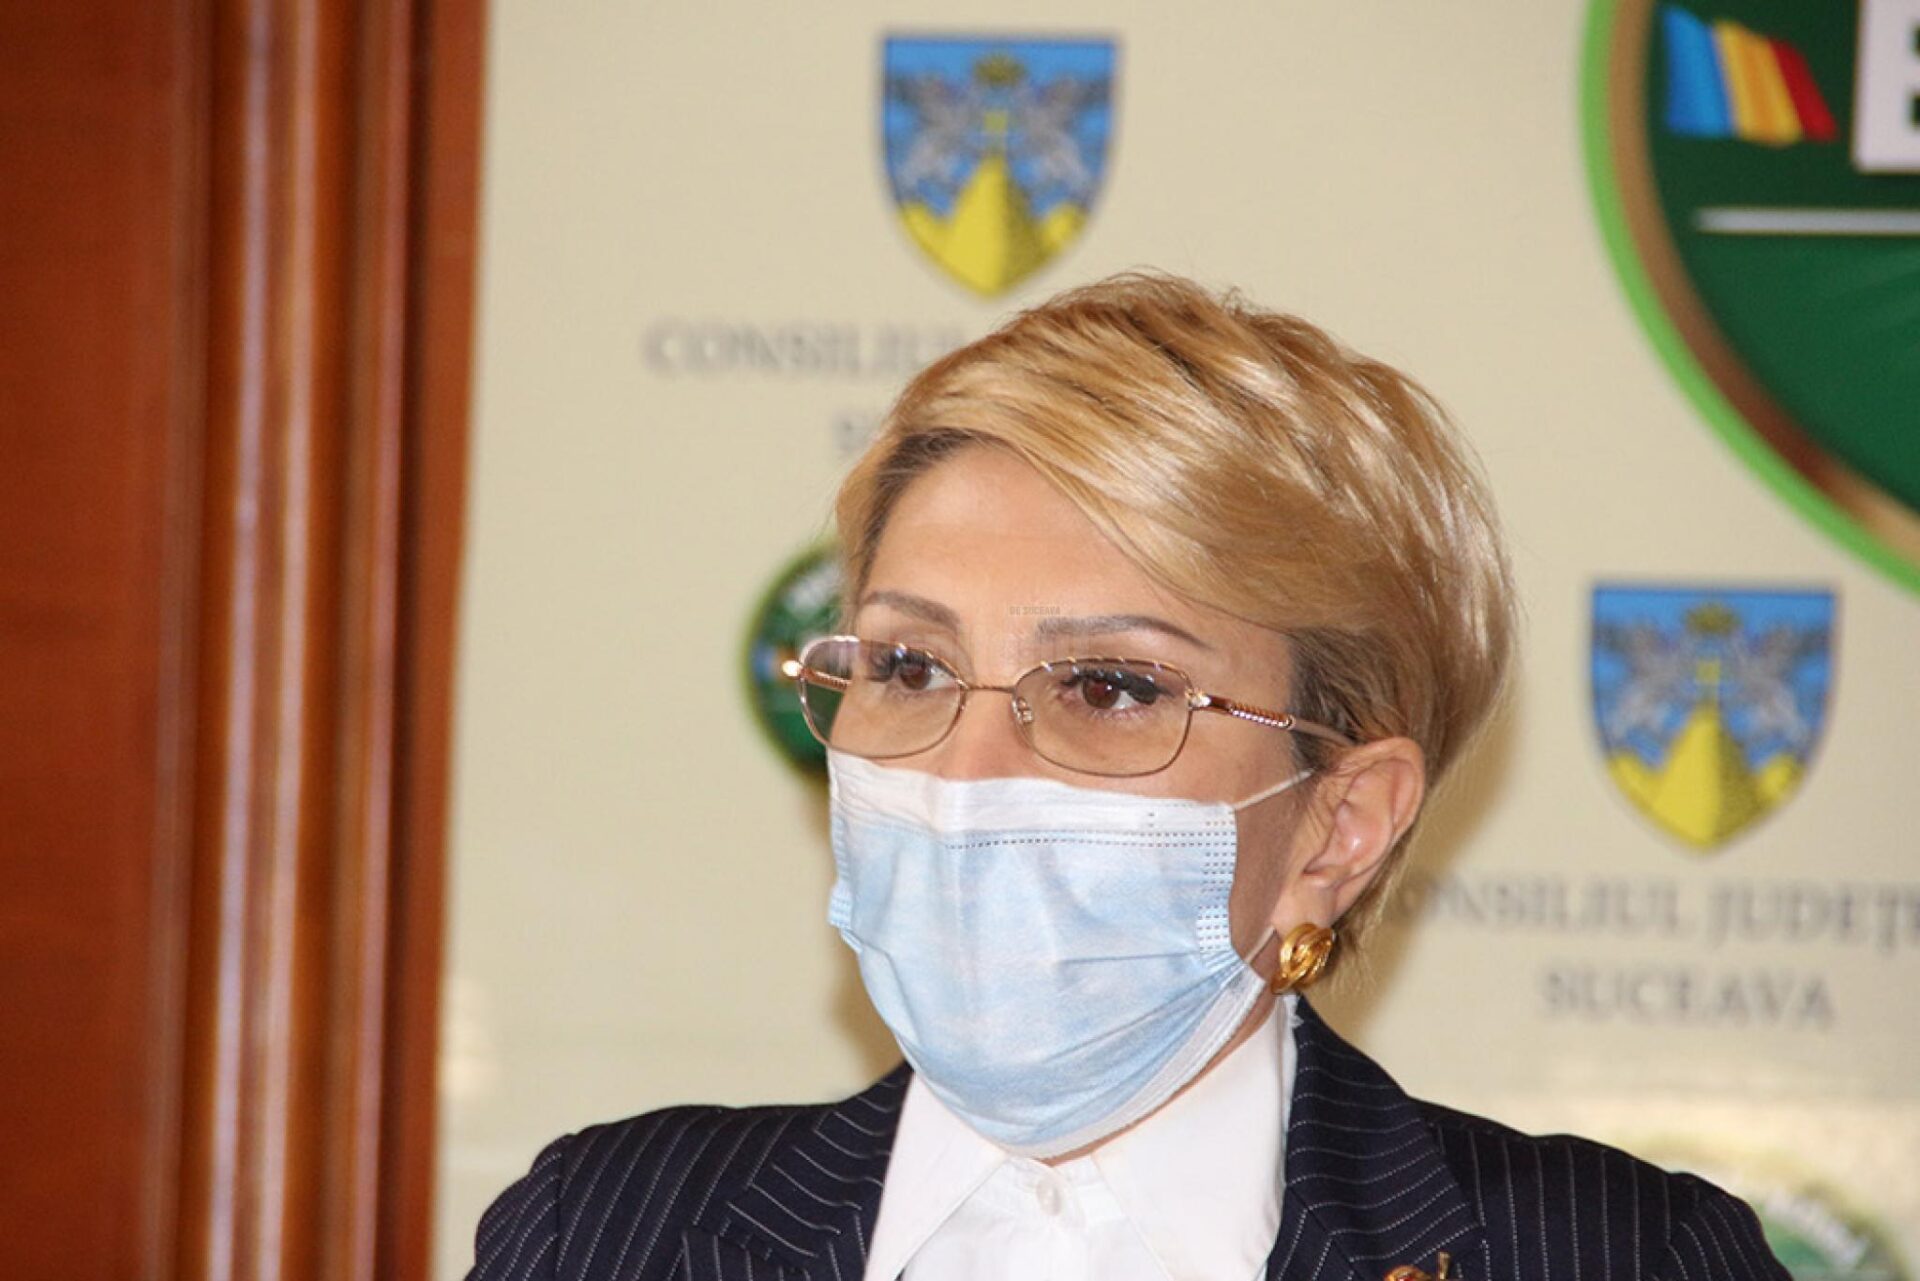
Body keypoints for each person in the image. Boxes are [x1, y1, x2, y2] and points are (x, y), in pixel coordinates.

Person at [464, 273, 1790, 1281]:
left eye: (1108, 687)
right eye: (911, 667)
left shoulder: (1620, 1256)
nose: (968, 772)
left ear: (1339, 822)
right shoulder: (603, 1231)